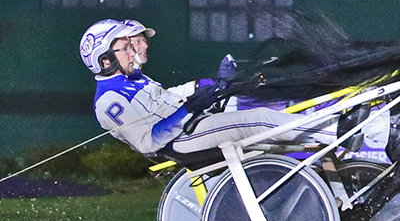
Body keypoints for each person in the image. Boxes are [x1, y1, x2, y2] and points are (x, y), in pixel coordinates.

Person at [81, 19, 338, 156]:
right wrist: (192, 107)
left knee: (265, 126)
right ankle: (338, 134)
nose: (133, 51)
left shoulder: (135, 80)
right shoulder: (108, 101)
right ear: (105, 61)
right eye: (125, 48)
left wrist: (209, 86)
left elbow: (169, 99)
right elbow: (150, 142)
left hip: (192, 127)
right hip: (181, 141)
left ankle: (326, 136)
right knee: (259, 119)